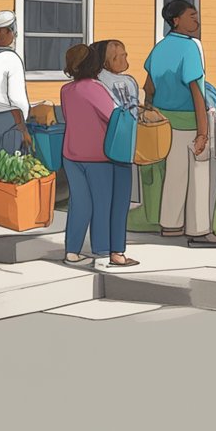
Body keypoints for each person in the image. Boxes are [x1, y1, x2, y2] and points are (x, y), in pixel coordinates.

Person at [144, 0, 216, 247]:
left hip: (164, 122)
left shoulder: (159, 48)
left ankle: (170, 225)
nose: (197, 20)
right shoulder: (190, 48)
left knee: (175, 174)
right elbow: (197, 92)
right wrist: (203, 133)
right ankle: (200, 230)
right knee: (199, 176)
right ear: (176, 20)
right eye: (191, 16)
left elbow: (148, 87)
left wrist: (150, 112)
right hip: (190, 121)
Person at [89, 40, 140, 267]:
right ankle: (103, 247)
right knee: (103, 200)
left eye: (124, 54)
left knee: (120, 202)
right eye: (117, 55)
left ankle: (116, 249)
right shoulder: (97, 82)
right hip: (102, 147)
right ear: (104, 60)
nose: (123, 58)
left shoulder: (130, 81)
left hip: (125, 146)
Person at [0, 10, 31, 156]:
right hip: (12, 120)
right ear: (9, 31)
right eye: (13, 31)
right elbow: (16, 100)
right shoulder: (11, 59)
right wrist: (23, 129)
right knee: (12, 167)